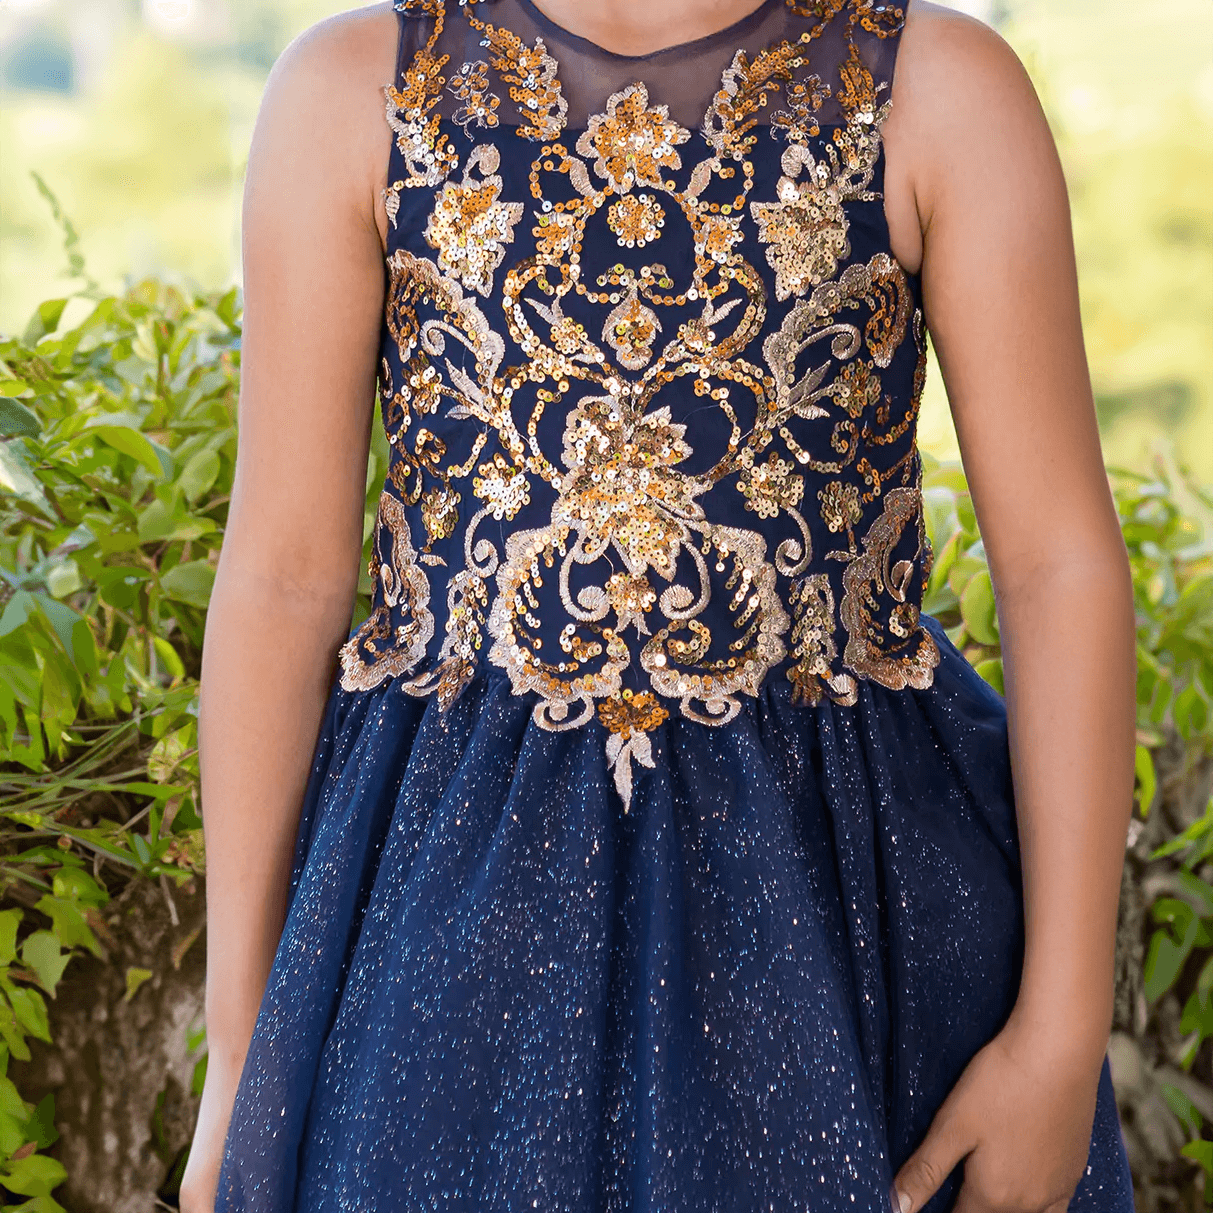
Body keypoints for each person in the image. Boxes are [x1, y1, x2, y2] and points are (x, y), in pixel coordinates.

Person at [179, 0, 1139, 1209]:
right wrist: (237, 1059)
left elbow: (1060, 569)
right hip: (447, 947)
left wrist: (1059, 1034)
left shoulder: (944, 92)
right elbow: (280, 581)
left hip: (852, 922)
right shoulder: (350, 97)